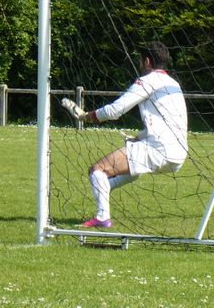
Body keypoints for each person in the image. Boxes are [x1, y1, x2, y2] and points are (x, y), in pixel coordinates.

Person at [61, 41, 188, 228]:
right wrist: (140, 137)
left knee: (97, 170)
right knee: (128, 168)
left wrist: (85, 116)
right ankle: (104, 190)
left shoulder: (148, 81)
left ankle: (102, 217)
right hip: (178, 154)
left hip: (158, 149)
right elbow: (171, 122)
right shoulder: (173, 84)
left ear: (146, 61)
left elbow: (115, 110)